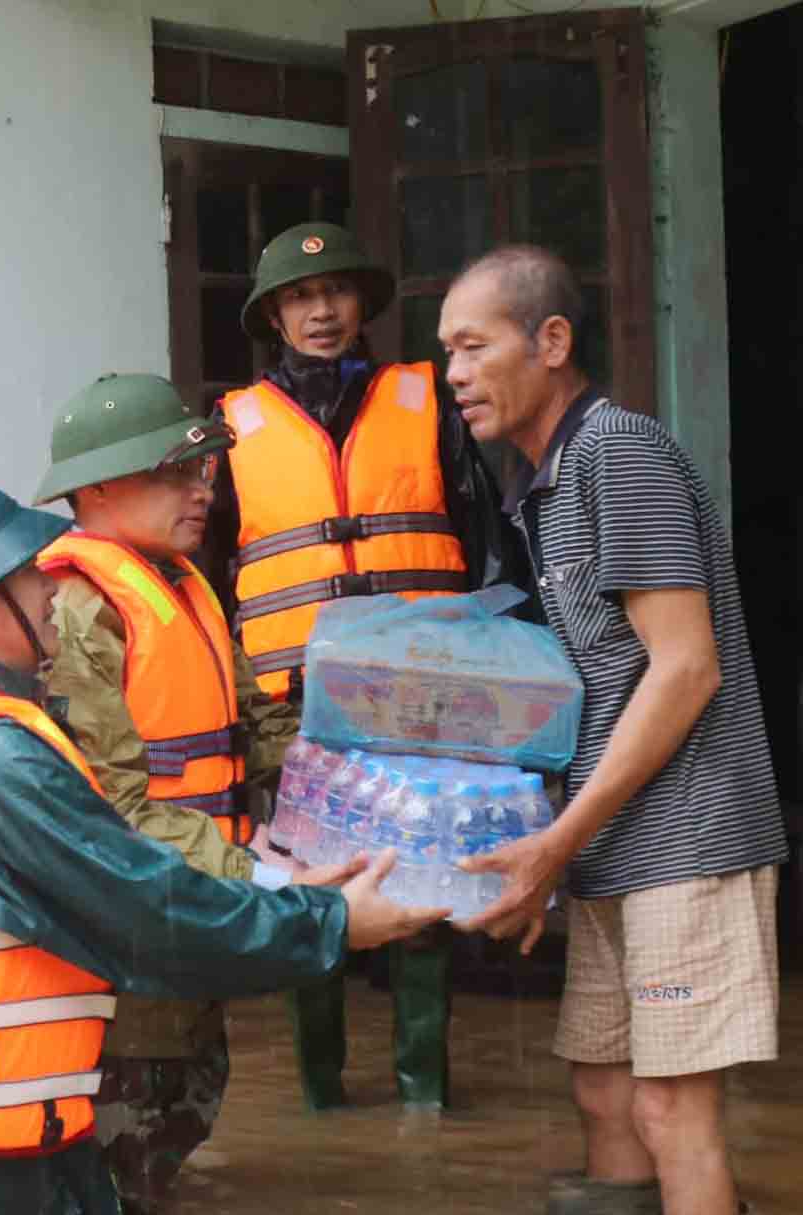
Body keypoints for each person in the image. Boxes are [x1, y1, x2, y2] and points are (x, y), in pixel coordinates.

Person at [0, 479, 446, 1215]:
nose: (53, 591)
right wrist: (333, 922)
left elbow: (127, 882)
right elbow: (153, 922)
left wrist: (289, 889)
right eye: (32, 577)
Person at [443, 245, 786, 1215]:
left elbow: (685, 670)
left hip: (683, 824)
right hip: (603, 826)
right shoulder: (535, 484)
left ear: (551, 342)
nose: (452, 372)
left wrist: (551, 840)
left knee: (667, 1091)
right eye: (443, 352)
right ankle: (619, 1213)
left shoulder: (618, 453)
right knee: (599, 1074)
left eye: (472, 345)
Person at [209, 221, 521, 1113]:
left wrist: (493, 681)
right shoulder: (234, 428)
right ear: (273, 314)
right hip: (291, 700)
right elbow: (209, 575)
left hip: (416, 689)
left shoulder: (426, 401)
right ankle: (320, 1094)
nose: (320, 310)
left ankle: (425, 1094)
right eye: (300, 297)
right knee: (312, 888)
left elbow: (487, 542)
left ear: (361, 305)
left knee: (419, 885)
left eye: (335, 292)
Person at [30, 372, 300, 1215]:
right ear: (101, 485)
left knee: (177, 1120)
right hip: (133, 935)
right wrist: (268, 883)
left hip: (191, 910)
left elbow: (259, 726)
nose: (203, 491)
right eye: (178, 473)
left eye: (207, 471)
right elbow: (109, 809)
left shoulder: (187, 586)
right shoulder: (78, 610)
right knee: (121, 1173)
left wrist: (371, 798)